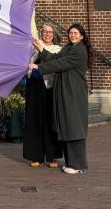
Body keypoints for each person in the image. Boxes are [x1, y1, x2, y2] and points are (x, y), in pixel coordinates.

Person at [29, 22, 91, 174]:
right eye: (71, 33)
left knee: (74, 128)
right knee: (65, 126)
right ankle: (71, 163)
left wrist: (39, 67)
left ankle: (78, 165)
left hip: (73, 93)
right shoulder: (68, 48)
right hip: (65, 92)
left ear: (82, 36)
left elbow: (60, 64)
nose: (73, 35)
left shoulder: (79, 51)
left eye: (76, 33)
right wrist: (41, 49)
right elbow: (55, 57)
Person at [22, 22, 62, 168]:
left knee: (50, 121)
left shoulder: (57, 49)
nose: (47, 34)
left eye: (50, 32)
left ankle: (52, 157)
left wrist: (41, 48)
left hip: (49, 88)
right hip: (34, 86)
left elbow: (54, 63)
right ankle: (36, 156)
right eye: (45, 31)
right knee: (34, 120)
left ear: (54, 35)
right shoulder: (33, 48)